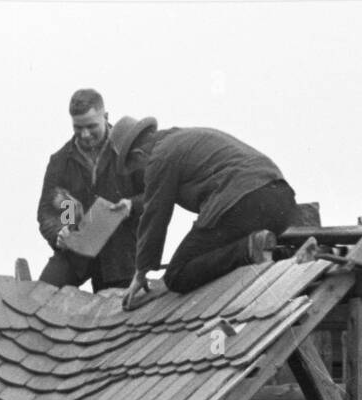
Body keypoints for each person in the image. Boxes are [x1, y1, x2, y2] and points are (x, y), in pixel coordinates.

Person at [108, 117, 298, 310]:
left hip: (241, 201)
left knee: (176, 275)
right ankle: (284, 254)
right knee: (216, 248)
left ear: (139, 154)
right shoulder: (181, 138)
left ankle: (250, 248)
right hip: (281, 201)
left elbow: (155, 214)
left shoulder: (160, 156)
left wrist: (141, 271)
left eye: (138, 169)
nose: (141, 174)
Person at [37, 89, 144, 292]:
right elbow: (47, 211)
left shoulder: (130, 150)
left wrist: (132, 205)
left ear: (105, 117)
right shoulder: (60, 162)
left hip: (121, 255)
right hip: (75, 251)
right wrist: (60, 231)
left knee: (120, 314)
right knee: (40, 295)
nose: (85, 134)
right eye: (78, 128)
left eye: (91, 126)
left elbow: (155, 196)